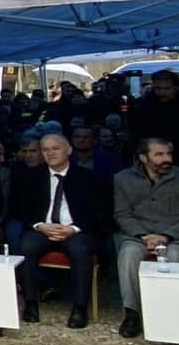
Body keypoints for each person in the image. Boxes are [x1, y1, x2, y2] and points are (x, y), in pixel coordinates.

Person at [111, 137, 179, 339]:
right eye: (159, 154)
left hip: (178, 238)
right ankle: (132, 313)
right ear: (143, 158)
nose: (167, 159)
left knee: (174, 255)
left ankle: (173, 313)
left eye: (169, 154)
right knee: (129, 254)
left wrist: (165, 236)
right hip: (138, 236)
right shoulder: (122, 178)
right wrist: (143, 236)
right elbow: (122, 214)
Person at [8, 133, 109, 326]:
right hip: (43, 229)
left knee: (80, 250)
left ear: (69, 150)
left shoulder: (89, 178)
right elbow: (18, 208)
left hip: (77, 230)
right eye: (45, 149)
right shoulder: (31, 177)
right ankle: (31, 303)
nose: (50, 153)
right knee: (25, 246)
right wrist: (40, 225)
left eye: (56, 148)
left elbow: (100, 213)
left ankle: (80, 308)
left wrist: (73, 229)